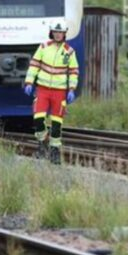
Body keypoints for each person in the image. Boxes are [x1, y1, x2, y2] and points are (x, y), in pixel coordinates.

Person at [24, 22, 79, 164]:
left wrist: (72, 89)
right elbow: (34, 65)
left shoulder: (69, 51)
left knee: (56, 124)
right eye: (55, 31)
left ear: (64, 33)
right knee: (38, 118)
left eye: (60, 32)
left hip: (59, 92)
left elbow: (73, 72)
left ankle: (54, 152)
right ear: (51, 32)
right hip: (42, 89)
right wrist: (29, 82)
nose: (58, 34)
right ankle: (43, 143)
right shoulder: (43, 47)